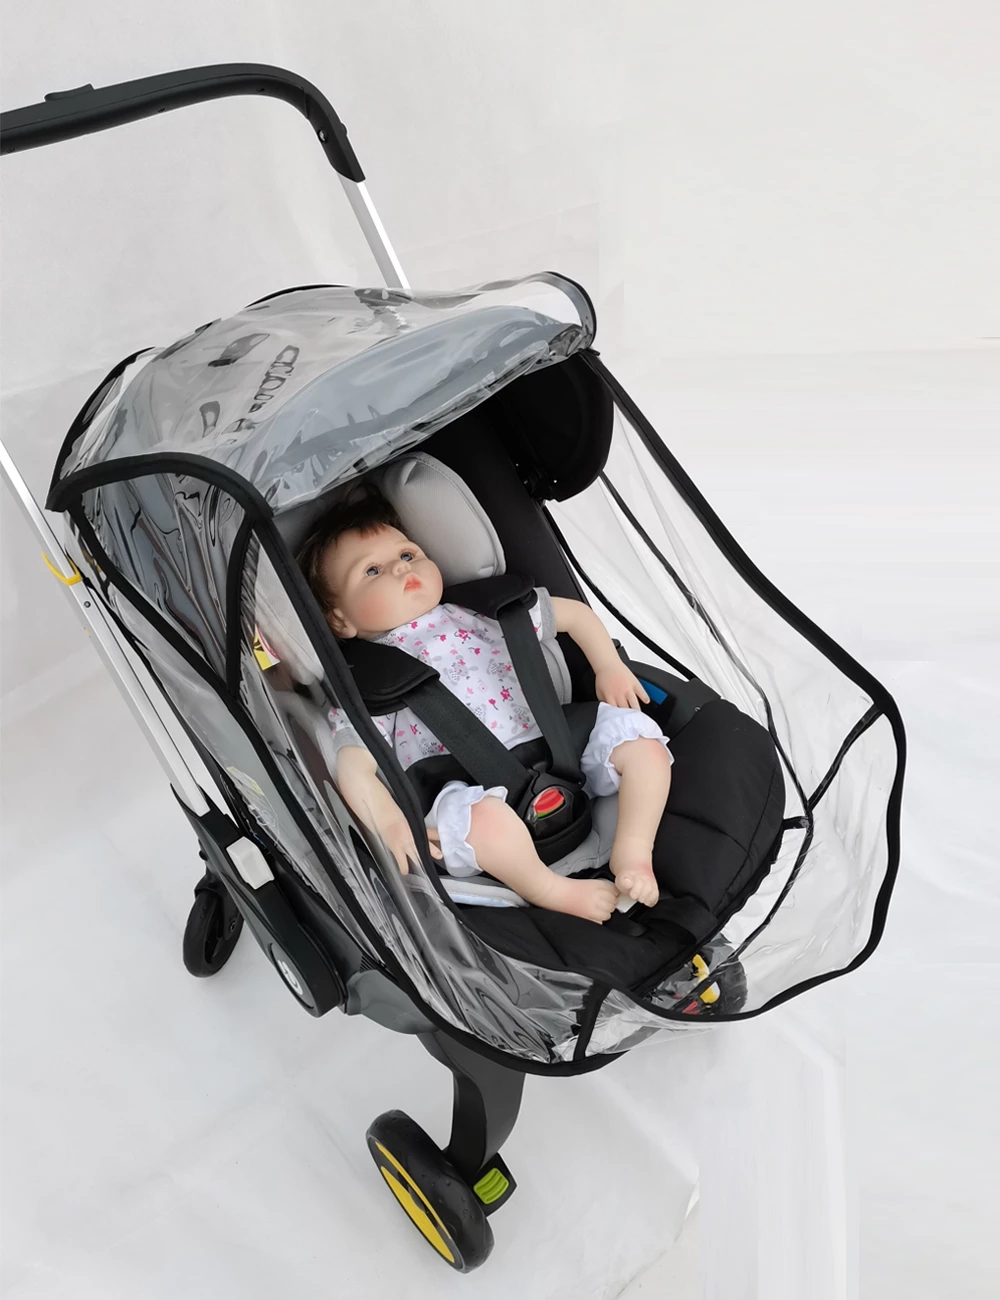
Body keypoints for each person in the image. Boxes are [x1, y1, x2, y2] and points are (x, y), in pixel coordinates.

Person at [298, 493, 673, 924]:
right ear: (340, 620)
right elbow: (353, 765)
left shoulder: (477, 612)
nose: (401, 568)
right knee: (484, 822)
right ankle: (549, 889)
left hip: (557, 744)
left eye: (407, 554)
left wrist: (608, 665)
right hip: (464, 786)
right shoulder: (365, 679)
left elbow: (574, 616)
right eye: (372, 571)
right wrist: (389, 822)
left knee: (641, 743)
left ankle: (634, 851)